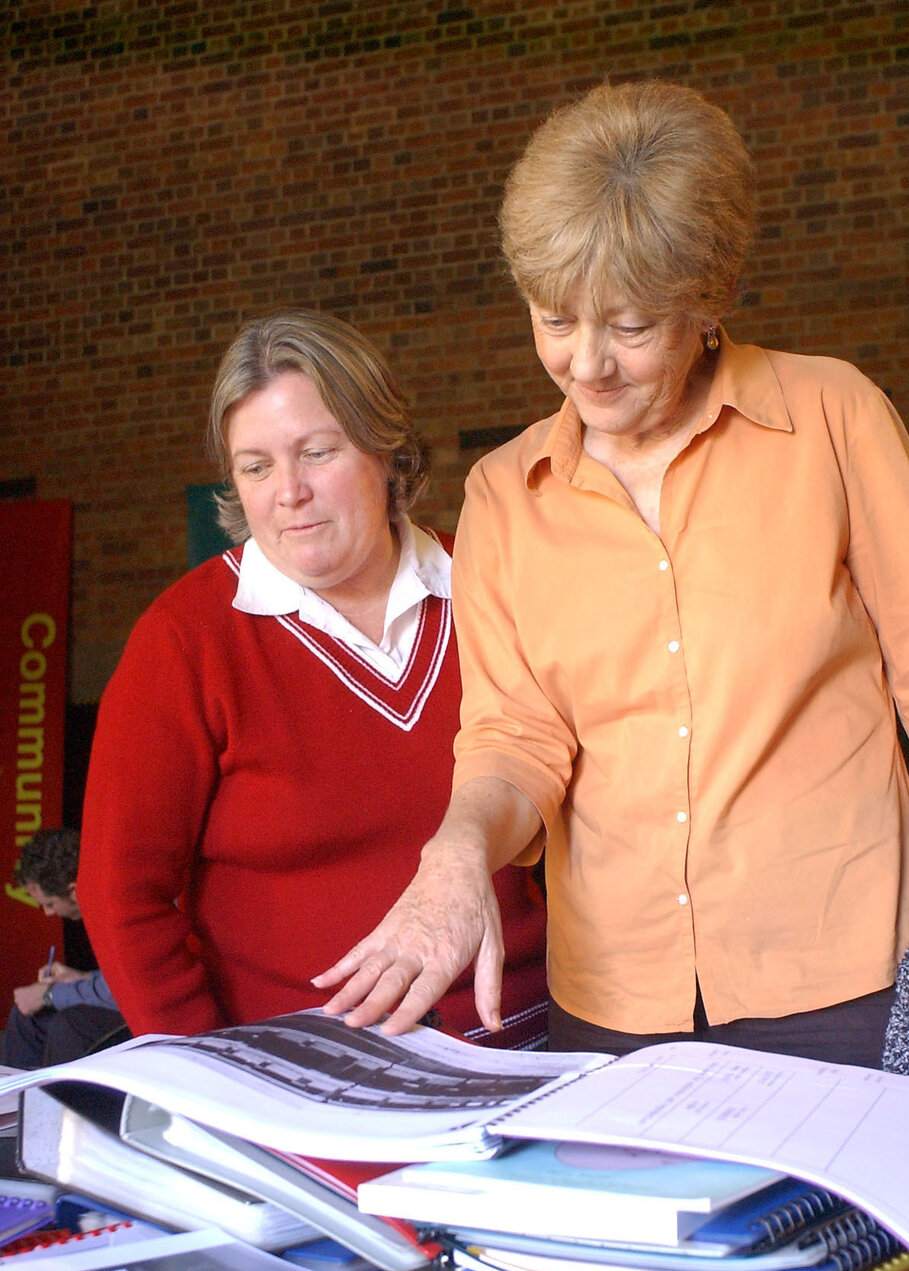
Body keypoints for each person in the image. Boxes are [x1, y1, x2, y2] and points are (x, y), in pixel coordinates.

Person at [314, 82, 909, 1271]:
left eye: (626, 321)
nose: (587, 361)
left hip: (845, 997)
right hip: (616, 1009)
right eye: (555, 319)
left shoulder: (829, 419)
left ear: (710, 298)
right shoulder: (508, 496)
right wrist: (455, 856)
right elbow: (513, 744)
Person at [77, 310, 547, 1047]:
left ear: (388, 452)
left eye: (317, 452)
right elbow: (118, 895)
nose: (288, 491)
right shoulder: (185, 640)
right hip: (301, 1074)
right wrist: (212, 1073)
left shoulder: (495, 587)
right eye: (256, 466)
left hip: (530, 1041)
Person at [3, 826, 126, 1068]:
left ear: (73, 890)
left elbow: (135, 988)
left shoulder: (118, 907)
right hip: (128, 999)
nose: (48, 913)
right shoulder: (98, 906)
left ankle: (55, 1106)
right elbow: (123, 978)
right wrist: (82, 978)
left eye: (49, 904)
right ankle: (12, 1102)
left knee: (70, 1025)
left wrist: (49, 994)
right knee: (26, 1017)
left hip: (157, 1019)